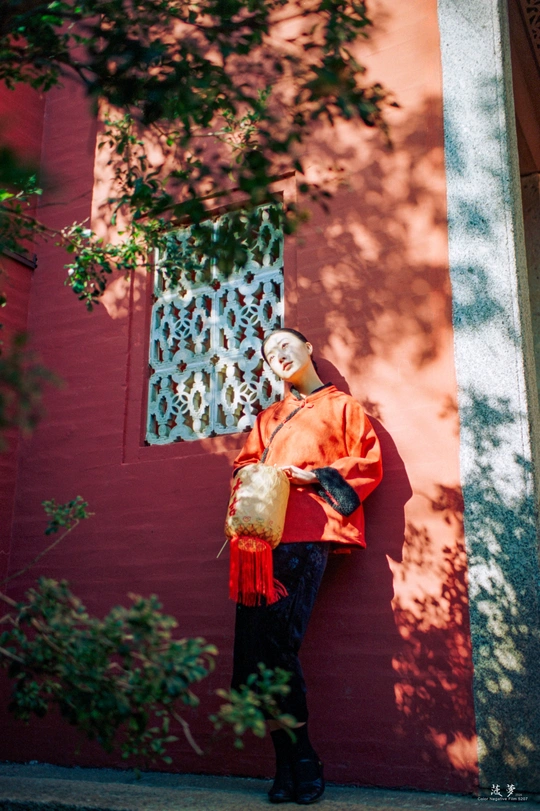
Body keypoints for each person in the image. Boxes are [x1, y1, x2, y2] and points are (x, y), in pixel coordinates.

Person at [230, 328, 383, 805]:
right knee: (253, 656)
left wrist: (314, 475)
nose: (278, 355)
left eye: (284, 345)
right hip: (257, 542)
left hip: (308, 534)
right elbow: (243, 465)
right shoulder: (268, 417)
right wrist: (254, 476)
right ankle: (287, 762)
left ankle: (302, 760)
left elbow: (368, 463)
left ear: (308, 348)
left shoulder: (343, 407)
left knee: (277, 645)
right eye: (269, 353)